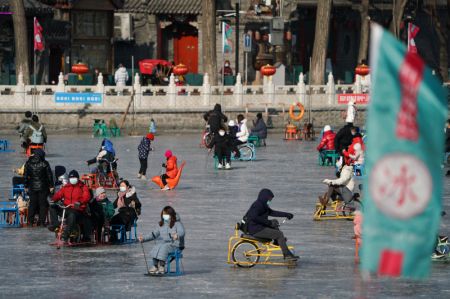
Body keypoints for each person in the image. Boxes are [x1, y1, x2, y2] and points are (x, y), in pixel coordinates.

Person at [244, 189, 297, 261]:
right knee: (279, 234)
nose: (270, 201)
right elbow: (254, 217)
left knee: (275, 221)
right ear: (264, 197)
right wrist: (269, 223)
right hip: (256, 229)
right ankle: (287, 255)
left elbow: (272, 212)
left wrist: (286, 214)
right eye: (269, 199)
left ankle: (277, 242)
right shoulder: (258, 205)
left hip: (257, 226)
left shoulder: (262, 204)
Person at [139, 206, 185, 275]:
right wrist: (144, 239)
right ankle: (155, 265)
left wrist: (177, 235)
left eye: (166, 214)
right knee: (157, 246)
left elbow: (182, 232)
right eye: (163, 214)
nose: (164, 216)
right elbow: (153, 234)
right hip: (166, 243)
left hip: (176, 245)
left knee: (164, 247)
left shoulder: (177, 223)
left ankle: (162, 266)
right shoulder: (161, 224)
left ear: (170, 214)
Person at [50, 170, 92, 242]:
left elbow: (86, 196)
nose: (73, 179)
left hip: (77, 209)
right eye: (71, 178)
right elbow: (59, 194)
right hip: (67, 208)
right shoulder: (66, 187)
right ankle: (56, 225)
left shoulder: (82, 187)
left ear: (77, 178)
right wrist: (53, 199)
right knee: (52, 207)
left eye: (74, 178)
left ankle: (67, 233)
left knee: (72, 214)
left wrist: (80, 202)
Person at [23, 149, 54, 226]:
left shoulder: (28, 163)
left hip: (32, 186)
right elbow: (49, 176)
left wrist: (26, 186)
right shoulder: (45, 163)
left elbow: (25, 176)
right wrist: (51, 186)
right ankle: (42, 222)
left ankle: (30, 221)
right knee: (42, 204)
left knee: (32, 204)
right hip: (43, 186)